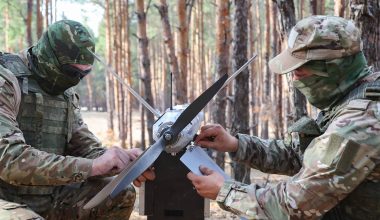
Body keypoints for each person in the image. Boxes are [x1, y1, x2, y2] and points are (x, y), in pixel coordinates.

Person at [187, 15, 380, 219]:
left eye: (300, 70)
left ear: (333, 67)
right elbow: (301, 156)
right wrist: (236, 144)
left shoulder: (360, 123)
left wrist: (225, 192)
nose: (294, 76)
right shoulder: (350, 96)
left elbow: (295, 205)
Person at [0, 20, 154, 219]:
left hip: (50, 196)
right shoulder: (7, 81)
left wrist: (122, 161)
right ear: (49, 56)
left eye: (84, 73)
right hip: (5, 199)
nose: (76, 79)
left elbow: (84, 146)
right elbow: (10, 160)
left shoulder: (66, 94)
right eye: (72, 72)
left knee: (119, 193)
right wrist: (92, 167)